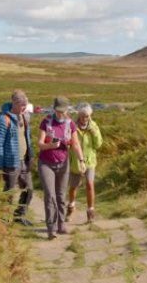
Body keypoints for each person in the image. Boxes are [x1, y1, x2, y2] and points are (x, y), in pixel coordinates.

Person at [37, 96, 85, 239]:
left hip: (63, 163)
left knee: (61, 195)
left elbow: (75, 144)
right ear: (54, 109)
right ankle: (51, 228)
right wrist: (50, 145)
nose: (60, 114)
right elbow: (40, 144)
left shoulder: (70, 124)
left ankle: (61, 224)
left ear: (67, 110)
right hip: (46, 163)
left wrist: (81, 160)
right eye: (58, 111)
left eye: (63, 111)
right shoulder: (46, 122)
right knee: (50, 195)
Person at [0, 89, 34, 226]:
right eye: (22, 106)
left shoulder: (25, 116)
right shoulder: (3, 118)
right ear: (15, 104)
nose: (24, 108)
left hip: (25, 160)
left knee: (29, 189)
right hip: (10, 162)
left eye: (25, 106)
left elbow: (27, 137)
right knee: (9, 192)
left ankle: (19, 215)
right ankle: (4, 220)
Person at [66, 102, 103, 223]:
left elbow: (98, 144)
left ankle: (90, 211)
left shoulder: (93, 125)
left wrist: (94, 132)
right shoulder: (72, 126)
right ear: (79, 115)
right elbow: (67, 142)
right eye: (82, 115)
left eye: (87, 116)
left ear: (90, 115)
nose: (84, 118)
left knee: (90, 185)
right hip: (75, 162)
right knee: (73, 187)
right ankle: (71, 207)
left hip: (89, 161)